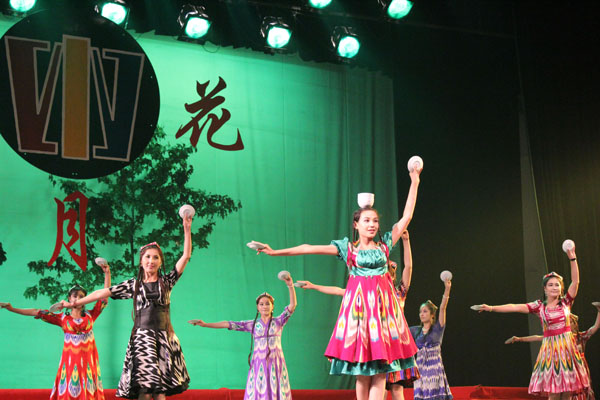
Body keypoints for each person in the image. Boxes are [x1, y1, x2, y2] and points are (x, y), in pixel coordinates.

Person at [251, 166, 422, 400]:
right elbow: (308, 248)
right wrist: (275, 252)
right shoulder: (349, 249)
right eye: (366, 220)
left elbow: (407, 217)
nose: (372, 224)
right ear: (356, 224)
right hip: (360, 313)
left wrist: (414, 180)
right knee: (362, 372)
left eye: (374, 220)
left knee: (382, 370)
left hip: (383, 314)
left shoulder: (384, 245)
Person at [59, 215, 193, 400]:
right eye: (147, 257)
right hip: (143, 339)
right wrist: (75, 303)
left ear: (160, 262)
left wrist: (187, 229)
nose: (151, 261)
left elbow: (185, 256)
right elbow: (102, 292)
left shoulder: (166, 282)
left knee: (160, 390)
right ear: (141, 261)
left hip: (164, 338)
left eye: (155, 257)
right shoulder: (134, 285)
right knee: (145, 390)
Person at [297, 230, 418, 400]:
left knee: (397, 390)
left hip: (391, 346)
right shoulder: (364, 292)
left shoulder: (399, 293)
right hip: (376, 346)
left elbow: (409, 267)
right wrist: (314, 286)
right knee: (375, 386)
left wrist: (406, 241)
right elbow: (339, 291)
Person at [475, 244, 590, 399]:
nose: (554, 287)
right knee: (554, 393)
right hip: (551, 350)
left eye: (557, 285)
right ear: (545, 289)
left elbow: (575, 282)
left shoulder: (565, 302)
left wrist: (572, 258)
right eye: (550, 285)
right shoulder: (539, 306)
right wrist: (491, 308)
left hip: (567, 349)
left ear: (561, 288)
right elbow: (515, 307)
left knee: (568, 392)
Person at [1, 262, 111, 400]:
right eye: (74, 296)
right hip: (70, 362)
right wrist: (12, 309)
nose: (77, 299)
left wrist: (107, 273)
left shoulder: (91, 315)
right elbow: (36, 311)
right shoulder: (62, 318)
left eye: (81, 296)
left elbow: (104, 297)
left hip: (88, 361)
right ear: (69, 298)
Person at [189, 273, 297, 400]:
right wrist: (206, 324)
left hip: (275, 363)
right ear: (257, 307)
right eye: (261, 304)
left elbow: (292, 306)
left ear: (272, 306)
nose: (264, 306)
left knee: (275, 389)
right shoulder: (252, 324)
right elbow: (227, 324)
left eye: (267, 303)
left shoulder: (278, 322)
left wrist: (290, 285)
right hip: (259, 364)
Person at [506, 302, 600, 400]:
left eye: (570, 322)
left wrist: (599, 311)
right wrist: (519, 339)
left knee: (580, 393)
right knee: (562, 393)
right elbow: (537, 337)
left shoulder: (580, 337)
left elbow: (595, 327)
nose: (568, 324)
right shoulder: (557, 337)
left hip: (577, 369)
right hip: (563, 367)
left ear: (575, 324)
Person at [410, 278, 452, 400]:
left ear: (432, 314)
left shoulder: (438, 329)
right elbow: (401, 330)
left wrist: (447, 289)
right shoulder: (415, 331)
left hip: (434, 370)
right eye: (420, 312)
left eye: (425, 311)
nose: (421, 314)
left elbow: (443, 308)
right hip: (420, 370)